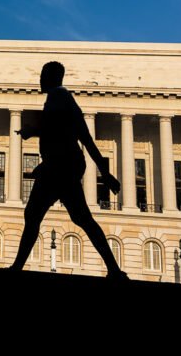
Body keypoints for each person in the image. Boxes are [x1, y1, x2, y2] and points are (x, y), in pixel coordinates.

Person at [9, 61, 128, 281]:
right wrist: (106, 173)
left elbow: (51, 127)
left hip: (59, 167)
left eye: (43, 75)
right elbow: (87, 141)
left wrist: (31, 131)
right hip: (67, 165)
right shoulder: (69, 102)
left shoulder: (56, 97)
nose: (40, 80)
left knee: (34, 214)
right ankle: (114, 270)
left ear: (53, 78)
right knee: (83, 219)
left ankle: (16, 267)